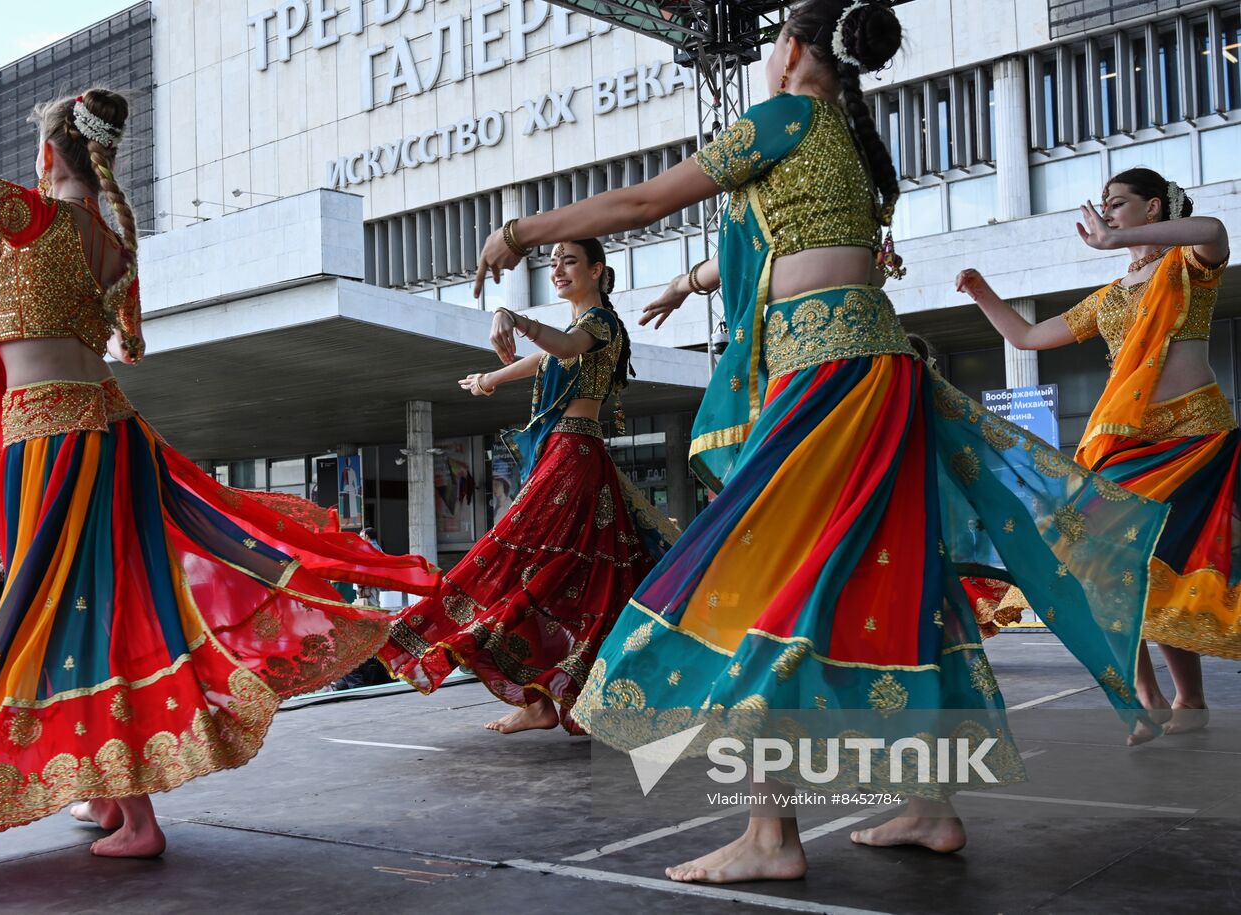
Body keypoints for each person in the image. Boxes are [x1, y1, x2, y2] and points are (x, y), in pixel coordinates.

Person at [470, 0, 1167, 882]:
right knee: (894, 574)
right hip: (880, 367)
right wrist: (689, 283)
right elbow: (792, 243)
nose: (769, 57)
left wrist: (521, 231)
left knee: (768, 570)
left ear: (794, 48)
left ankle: (771, 834)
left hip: (825, 373)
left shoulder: (784, 116)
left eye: (773, 45)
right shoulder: (853, 143)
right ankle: (929, 802)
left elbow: (644, 199)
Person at [0, 87, 439, 855]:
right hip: (102, 432)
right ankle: (111, 797)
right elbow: (123, 345)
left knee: (67, 614)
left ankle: (137, 817)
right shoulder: (110, 240)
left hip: (51, 438)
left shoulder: (33, 217)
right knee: (102, 605)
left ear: (48, 154)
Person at [958, 165, 1232, 741]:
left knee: (1163, 566)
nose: (1106, 212)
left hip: (1191, 443)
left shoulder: (1187, 266)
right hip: (1123, 448)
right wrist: (982, 292)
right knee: (1094, 563)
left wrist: (1117, 240)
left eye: (1117, 202)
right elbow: (1027, 337)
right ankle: (1147, 697)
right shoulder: (1108, 299)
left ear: (1153, 208)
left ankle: (1190, 698)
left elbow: (1212, 229)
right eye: (1103, 204)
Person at [381, 239, 680, 734]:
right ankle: (542, 699)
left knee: (514, 560)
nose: (558, 269)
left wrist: (514, 318)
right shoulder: (582, 328)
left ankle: (538, 698)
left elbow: (563, 348)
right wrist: (492, 378)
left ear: (597, 270)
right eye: (553, 262)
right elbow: (546, 360)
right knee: (559, 572)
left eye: (569, 261)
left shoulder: (599, 323)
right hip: (572, 454)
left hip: (573, 455)